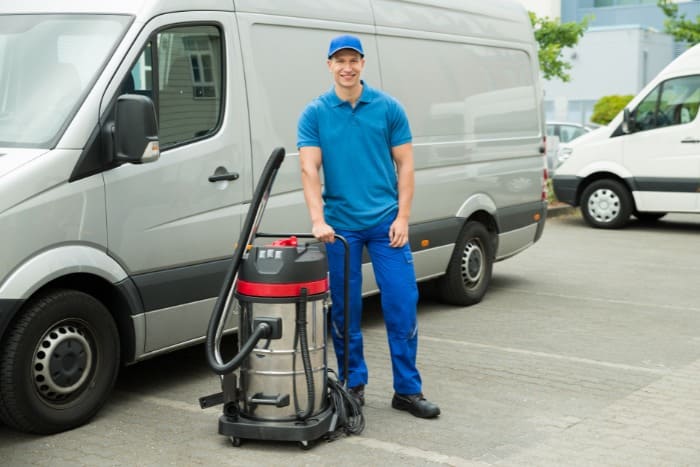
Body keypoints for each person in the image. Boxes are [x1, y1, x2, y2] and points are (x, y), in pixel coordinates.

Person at [297, 34, 440, 418]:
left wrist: (403, 217)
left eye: (353, 60)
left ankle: (407, 390)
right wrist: (317, 219)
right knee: (345, 313)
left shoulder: (388, 108)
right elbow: (309, 167)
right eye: (339, 61)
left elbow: (406, 165)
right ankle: (352, 385)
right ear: (329, 65)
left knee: (402, 305)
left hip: (385, 225)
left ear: (362, 63)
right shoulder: (315, 113)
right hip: (340, 229)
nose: (347, 67)